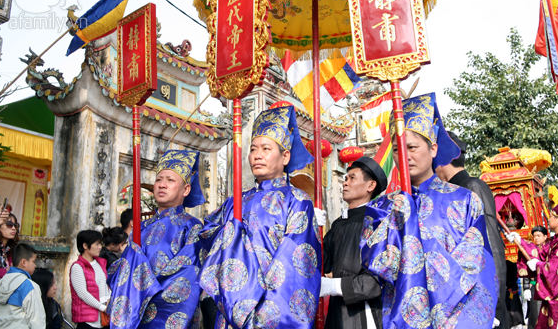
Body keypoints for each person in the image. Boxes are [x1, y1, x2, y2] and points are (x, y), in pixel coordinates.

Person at [360, 93, 498, 329]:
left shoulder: (465, 200)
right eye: (396, 150)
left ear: (433, 149)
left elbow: (476, 267)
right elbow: (378, 263)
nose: (404, 156)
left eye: (412, 147)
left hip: (457, 320)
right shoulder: (382, 207)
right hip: (401, 319)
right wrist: (397, 220)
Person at [199, 105, 321, 329]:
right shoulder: (234, 202)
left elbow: (297, 264)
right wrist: (227, 235)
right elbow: (206, 238)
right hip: (230, 311)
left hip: (270, 314)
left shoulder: (297, 200)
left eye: (266, 149)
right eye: (253, 149)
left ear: (285, 156)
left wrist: (259, 316)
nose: (257, 155)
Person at [106, 150, 206, 328]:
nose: (162, 185)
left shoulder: (193, 227)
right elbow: (123, 272)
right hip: (136, 316)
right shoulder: (141, 227)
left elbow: (186, 277)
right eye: (159, 179)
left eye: (170, 180)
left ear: (186, 189)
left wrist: (145, 297)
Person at [436, 131, 509, 329]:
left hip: (480, 308)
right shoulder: (443, 194)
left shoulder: (471, 187)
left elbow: (491, 248)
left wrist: (493, 305)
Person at [322, 157, 387, 329]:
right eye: (345, 178)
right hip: (336, 311)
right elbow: (321, 260)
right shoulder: (338, 224)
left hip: (363, 313)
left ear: (370, 186)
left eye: (352, 178)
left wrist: (334, 285)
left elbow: (374, 282)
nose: (345, 183)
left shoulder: (377, 223)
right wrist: (310, 227)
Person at [508, 197, 558, 328]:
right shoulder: (557, 239)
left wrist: (537, 265)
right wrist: (520, 240)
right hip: (557, 295)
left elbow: (555, 270)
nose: (548, 218)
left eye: (551, 216)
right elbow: (540, 253)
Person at [0, 242, 46, 328]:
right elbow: (38, 322)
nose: (35, 265)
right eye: (33, 261)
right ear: (24, 262)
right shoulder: (29, 286)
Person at [70, 230, 110, 329]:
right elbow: (83, 293)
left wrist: (110, 300)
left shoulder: (101, 263)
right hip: (88, 321)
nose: (100, 247)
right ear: (85, 246)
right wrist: (103, 308)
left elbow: (106, 286)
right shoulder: (77, 267)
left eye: (100, 244)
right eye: (96, 244)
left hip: (104, 318)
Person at [523, 226, 548, 329]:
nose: (536, 238)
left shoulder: (549, 249)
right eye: (535, 236)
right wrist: (526, 288)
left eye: (539, 235)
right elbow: (527, 272)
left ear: (545, 237)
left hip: (548, 286)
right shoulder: (531, 250)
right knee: (534, 314)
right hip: (534, 285)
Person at [0, 207, 20, 282]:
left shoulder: (11, 250)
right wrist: (6, 271)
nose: (13, 228)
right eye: (9, 224)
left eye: (15, 225)